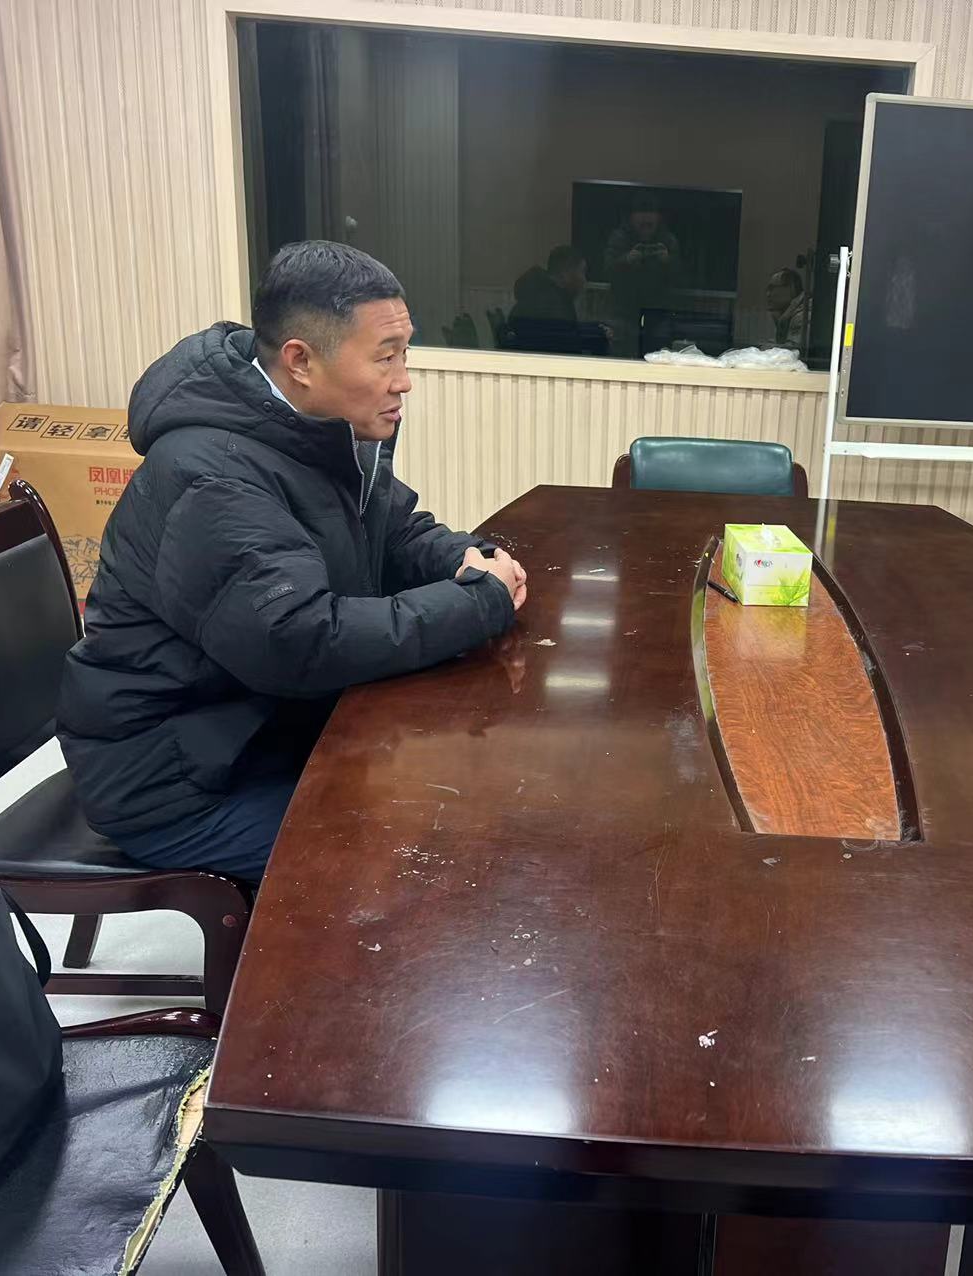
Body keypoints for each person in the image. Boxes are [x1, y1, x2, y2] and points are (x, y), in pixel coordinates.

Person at [57, 241, 526, 882]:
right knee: (416, 860)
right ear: (300, 360)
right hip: (181, 781)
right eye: (384, 356)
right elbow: (298, 641)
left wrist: (465, 559)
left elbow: (391, 531)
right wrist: (477, 602)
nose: (403, 380)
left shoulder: (311, 428)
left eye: (405, 353)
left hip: (260, 730)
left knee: (462, 793)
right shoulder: (212, 476)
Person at [603, 198, 680, 356]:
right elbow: (606, 271)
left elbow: (682, 279)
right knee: (621, 355)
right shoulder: (620, 238)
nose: (645, 219)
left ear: (658, 218)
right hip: (623, 309)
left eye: (650, 215)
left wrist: (668, 261)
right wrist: (626, 260)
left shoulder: (667, 240)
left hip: (659, 310)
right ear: (632, 217)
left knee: (659, 355)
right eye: (641, 214)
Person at [507, 245, 608, 355]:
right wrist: (599, 339)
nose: (584, 280)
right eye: (582, 272)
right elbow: (564, 345)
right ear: (565, 274)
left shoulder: (540, 295)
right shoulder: (553, 306)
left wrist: (596, 330)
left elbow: (566, 331)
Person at [765, 268, 807, 349]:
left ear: (791, 289)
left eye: (772, 288)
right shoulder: (787, 314)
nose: (768, 294)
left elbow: (793, 352)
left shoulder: (802, 317)